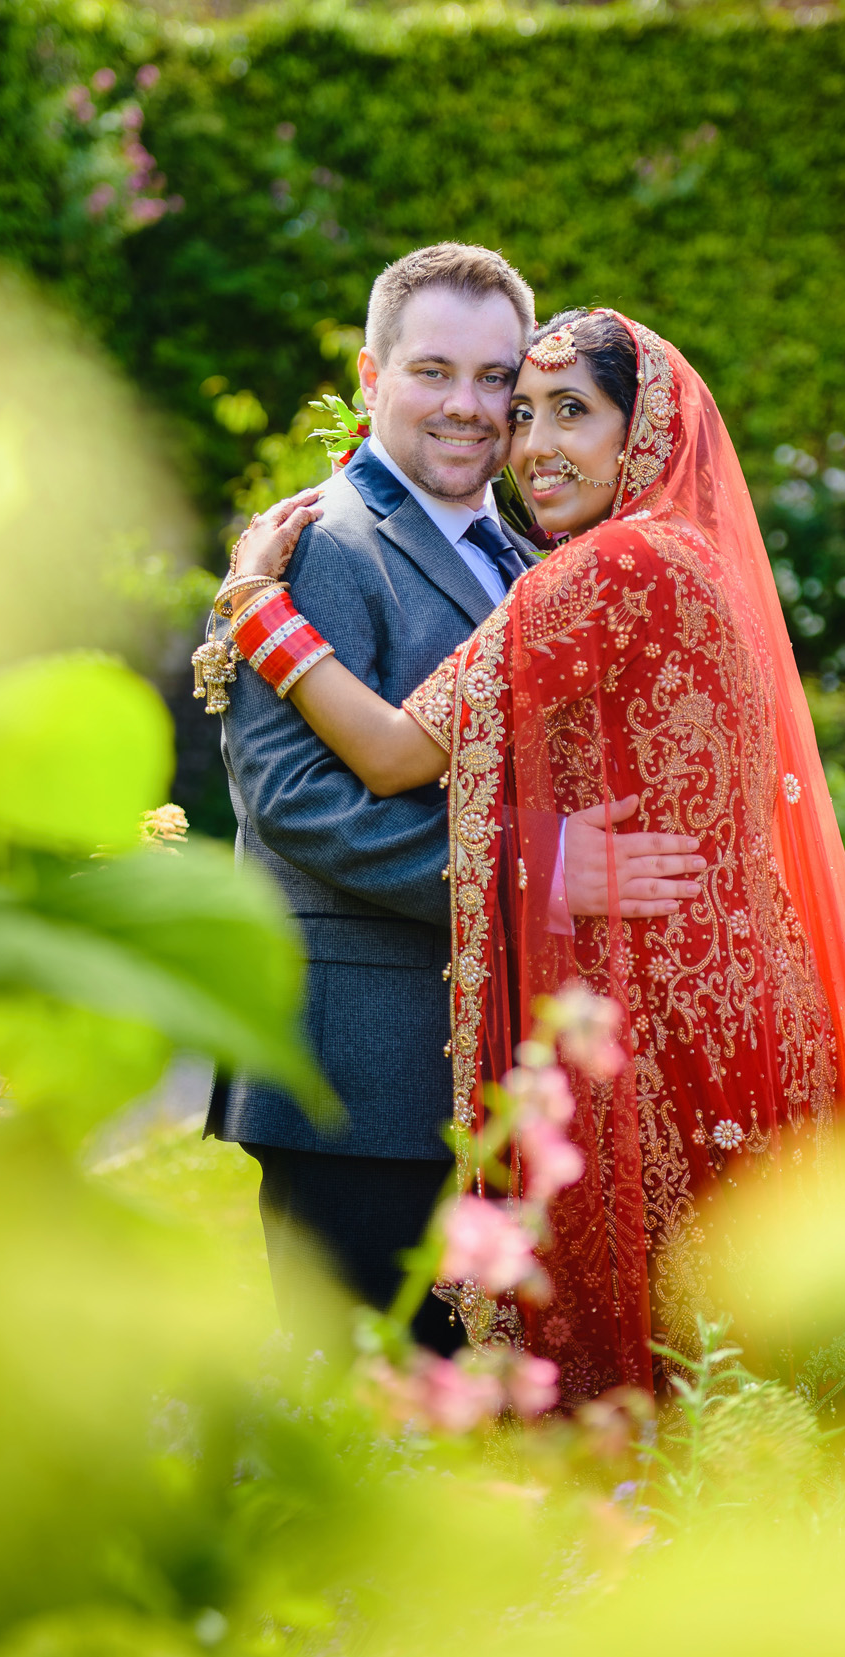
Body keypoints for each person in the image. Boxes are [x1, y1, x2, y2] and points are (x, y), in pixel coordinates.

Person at [219, 305, 845, 1406]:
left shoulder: (598, 571)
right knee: (747, 1357)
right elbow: (305, 803)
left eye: (569, 412)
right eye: (527, 410)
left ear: (638, 433)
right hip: (745, 1008)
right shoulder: (692, 557)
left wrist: (256, 608)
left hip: (655, 1026)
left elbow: (400, 753)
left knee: (650, 1378)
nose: (532, 440)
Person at [205, 250, 704, 1354]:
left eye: (498, 381)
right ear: (372, 373)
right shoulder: (313, 549)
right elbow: (299, 806)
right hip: (361, 1077)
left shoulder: (530, 550)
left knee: (489, 1445)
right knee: (373, 1429)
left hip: (502, 1067)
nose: (472, 410)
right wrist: (539, 872)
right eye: (436, 372)